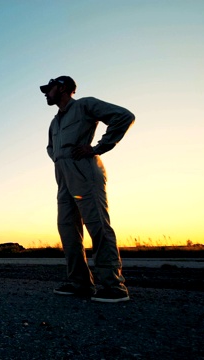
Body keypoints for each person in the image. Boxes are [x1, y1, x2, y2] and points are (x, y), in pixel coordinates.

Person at [40, 76, 135, 303]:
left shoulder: (85, 105)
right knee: (67, 230)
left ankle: (114, 286)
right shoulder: (55, 122)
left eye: (49, 89)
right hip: (63, 180)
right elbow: (50, 147)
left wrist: (98, 148)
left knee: (98, 226)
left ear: (63, 88)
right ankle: (80, 283)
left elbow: (124, 117)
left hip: (85, 175)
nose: (45, 93)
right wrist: (59, 158)